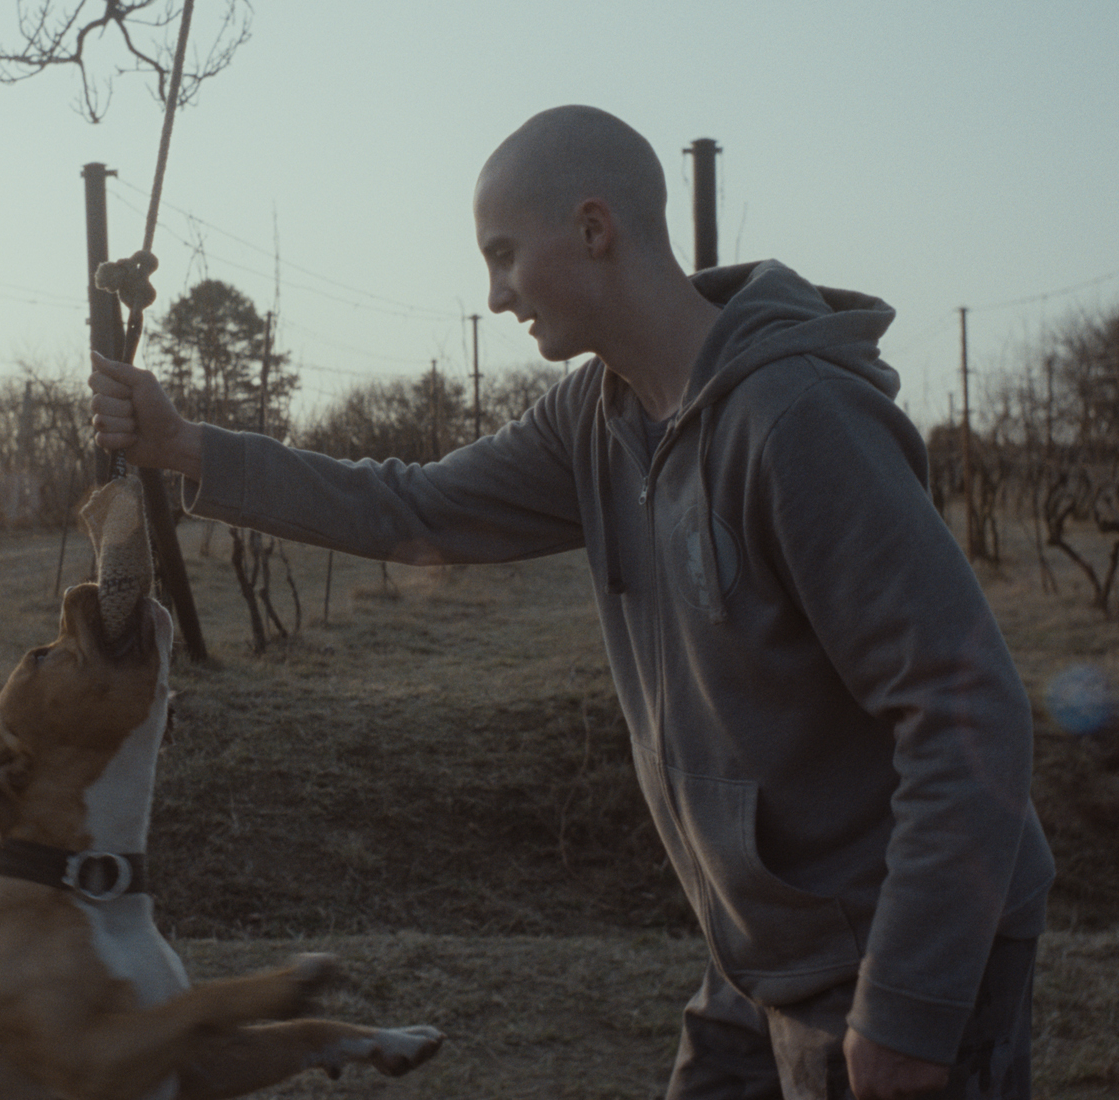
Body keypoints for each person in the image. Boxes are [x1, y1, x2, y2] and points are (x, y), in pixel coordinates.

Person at [88, 105, 1053, 1100]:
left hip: (895, 941)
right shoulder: (594, 416)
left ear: (593, 229)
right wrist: (185, 446)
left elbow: (963, 707)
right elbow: (407, 503)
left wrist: (906, 1003)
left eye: (503, 256)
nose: (495, 295)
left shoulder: (797, 421)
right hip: (761, 949)